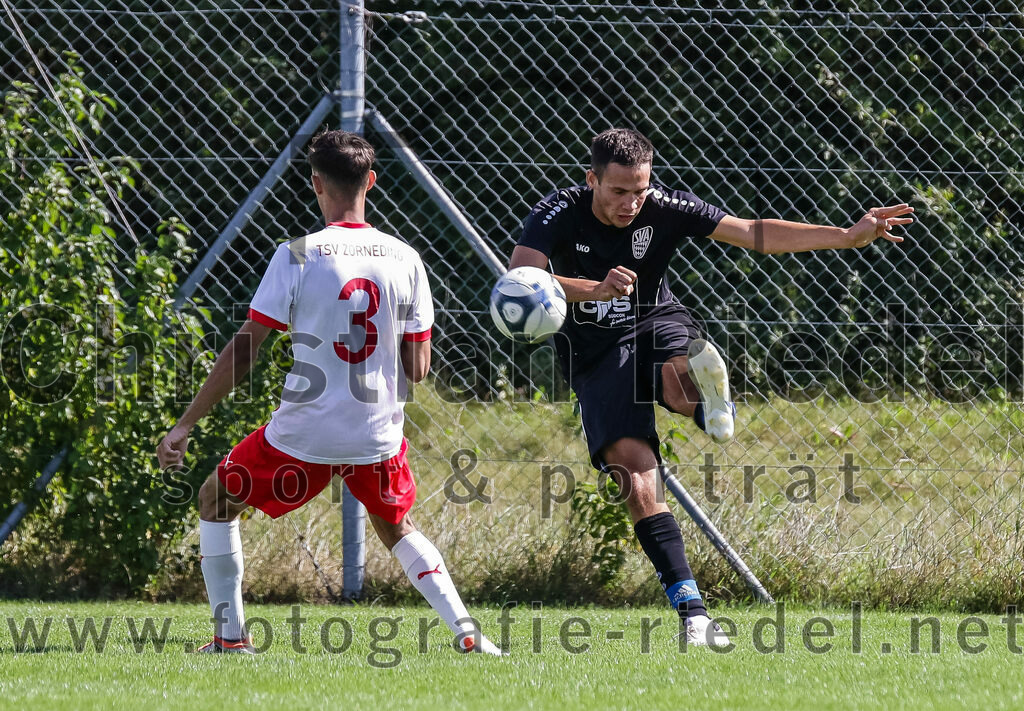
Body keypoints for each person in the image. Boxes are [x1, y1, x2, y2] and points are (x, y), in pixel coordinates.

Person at [509, 128, 913, 645]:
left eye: (640, 189)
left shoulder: (665, 206)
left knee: (678, 381)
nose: (632, 202)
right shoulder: (559, 210)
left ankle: (707, 401)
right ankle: (694, 616)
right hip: (592, 354)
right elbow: (520, 278)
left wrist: (845, 235)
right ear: (592, 180)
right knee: (635, 479)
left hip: (656, 322)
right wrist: (594, 289)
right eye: (618, 191)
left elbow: (752, 232)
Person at [157, 130, 502, 655]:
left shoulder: (296, 255)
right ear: (372, 181)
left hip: (304, 436)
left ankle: (230, 641)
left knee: (215, 498)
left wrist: (185, 424)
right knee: (397, 525)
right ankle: (467, 632)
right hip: (376, 434)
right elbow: (420, 367)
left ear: (315, 183)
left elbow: (245, 351)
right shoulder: (406, 257)